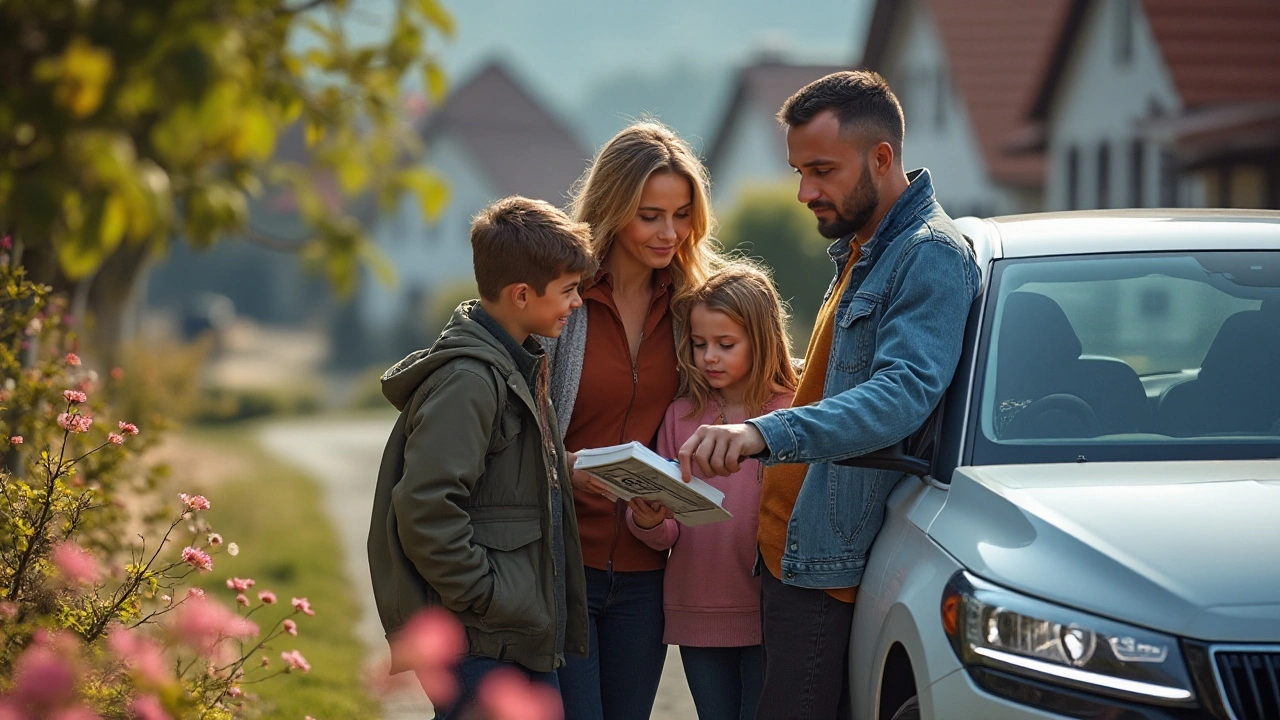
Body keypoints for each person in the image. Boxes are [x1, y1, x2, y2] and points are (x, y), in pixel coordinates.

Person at [677, 71, 981, 719]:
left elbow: (902, 394)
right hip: (790, 553)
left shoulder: (927, 255)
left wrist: (762, 432)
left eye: (821, 170)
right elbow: (838, 378)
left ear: (881, 157)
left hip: (828, 566)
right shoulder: (862, 250)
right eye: (797, 171)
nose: (803, 191)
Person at [367, 196, 595, 718]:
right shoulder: (471, 381)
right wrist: (487, 595)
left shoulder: (517, 364)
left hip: (506, 629)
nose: (576, 302)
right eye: (567, 291)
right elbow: (425, 508)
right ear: (520, 295)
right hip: (477, 635)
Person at [543, 120, 723, 720]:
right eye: (650, 215)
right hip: (561, 565)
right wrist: (564, 468)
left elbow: (754, 381)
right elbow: (511, 424)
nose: (669, 233)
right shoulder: (563, 301)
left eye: (681, 214)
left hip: (647, 573)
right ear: (613, 209)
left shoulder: (694, 308)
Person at [625, 262, 798, 720]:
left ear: (761, 339)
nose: (709, 357)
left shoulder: (795, 414)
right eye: (700, 344)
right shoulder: (681, 415)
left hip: (771, 613)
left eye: (726, 344)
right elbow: (668, 531)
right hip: (697, 610)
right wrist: (646, 518)